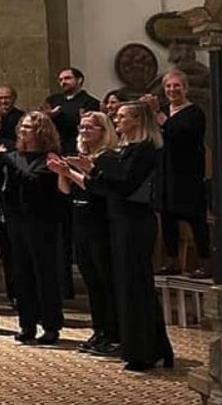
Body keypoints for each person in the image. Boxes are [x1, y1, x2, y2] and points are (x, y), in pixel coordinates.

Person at [51, 102, 174, 371]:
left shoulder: (144, 149)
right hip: (119, 221)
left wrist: (91, 169)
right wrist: (79, 171)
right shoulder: (126, 149)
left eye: (120, 116)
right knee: (127, 286)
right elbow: (105, 188)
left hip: (134, 222)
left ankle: (144, 351)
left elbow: (126, 186)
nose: (115, 120)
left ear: (137, 120)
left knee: (135, 287)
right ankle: (147, 348)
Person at [0, 112, 65, 345]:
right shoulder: (16, 156)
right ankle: (27, 324)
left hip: (43, 222)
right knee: (21, 273)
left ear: (42, 131)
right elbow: (6, 186)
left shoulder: (50, 158)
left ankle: (51, 326)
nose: (23, 130)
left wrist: (6, 162)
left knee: (45, 274)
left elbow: (33, 181)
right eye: (22, 126)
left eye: (29, 127)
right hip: (17, 221)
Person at [56, 112, 119, 355]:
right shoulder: (83, 157)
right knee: (92, 281)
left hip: (100, 223)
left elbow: (97, 189)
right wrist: (63, 172)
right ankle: (100, 330)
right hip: (80, 221)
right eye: (81, 127)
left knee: (105, 281)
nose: (84, 132)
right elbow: (66, 192)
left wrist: (73, 172)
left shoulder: (107, 158)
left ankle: (113, 333)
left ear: (104, 131)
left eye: (90, 128)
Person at [149, 70, 210, 277]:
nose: (172, 90)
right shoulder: (165, 111)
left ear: (185, 88)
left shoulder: (194, 113)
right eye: (168, 86)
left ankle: (205, 263)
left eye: (176, 86)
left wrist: (158, 115)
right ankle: (172, 261)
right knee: (167, 216)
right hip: (165, 170)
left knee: (195, 218)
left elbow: (177, 133)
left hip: (187, 172)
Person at [44, 68, 101, 154]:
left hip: (76, 147)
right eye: (60, 80)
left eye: (67, 78)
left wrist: (58, 116)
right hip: (53, 147)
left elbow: (85, 126)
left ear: (79, 80)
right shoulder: (53, 100)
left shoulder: (90, 102)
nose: (63, 82)